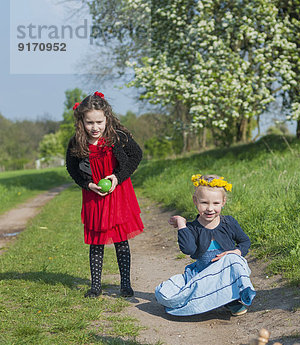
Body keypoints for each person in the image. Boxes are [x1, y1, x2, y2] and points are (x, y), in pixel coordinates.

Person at [66, 91, 143, 298]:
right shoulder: (77, 143)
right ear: (81, 121)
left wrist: (118, 177)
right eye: (89, 122)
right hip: (94, 196)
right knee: (96, 241)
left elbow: (136, 155)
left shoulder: (117, 137)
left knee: (121, 240)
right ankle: (96, 286)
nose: (95, 127)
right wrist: (88, 184)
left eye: (99, 122)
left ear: (106, 118)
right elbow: (72, 168)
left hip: (118, 193)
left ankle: (125, 284)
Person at [155, 173, 256, 316]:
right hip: (202, 275)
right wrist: (182, 225)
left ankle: (231, 299)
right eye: (204, 203)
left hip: (226, 275)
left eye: (215, 203)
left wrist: (236, 252)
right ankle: (208, 299)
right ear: (195, 201)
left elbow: (245, 241)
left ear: (223, 202)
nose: (210, 208)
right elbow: (188, 249)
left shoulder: (229, 223)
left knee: (233, 260)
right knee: (163, 293)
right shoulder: (192, 228)